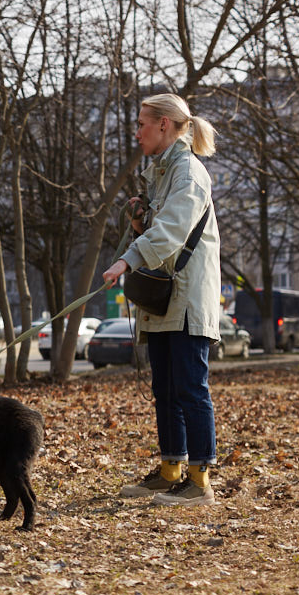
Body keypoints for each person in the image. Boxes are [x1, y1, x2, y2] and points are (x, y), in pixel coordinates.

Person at [101, 93, 221, 507]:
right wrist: (139, 221)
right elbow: (158, 227)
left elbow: (172, 229)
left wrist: (127, 260)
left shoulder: (188, 172)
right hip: (165, 297)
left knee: (190, 388)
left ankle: (199, 480)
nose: (137, 133)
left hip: (186, 298)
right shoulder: (162, 173)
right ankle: (172, 468)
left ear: (164, 125)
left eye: (141, 124)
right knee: (166, 389)